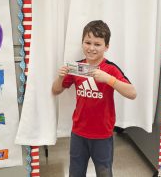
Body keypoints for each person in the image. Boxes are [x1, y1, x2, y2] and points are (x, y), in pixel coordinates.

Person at [52, 20, 137, 177]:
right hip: (78, 132)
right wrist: (60, 77)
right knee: (75, 172)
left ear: (106, 47)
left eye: (97, 44)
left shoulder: (110, 68)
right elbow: (56, 90)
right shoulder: (75, 68)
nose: (91, 48)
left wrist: (109, 79)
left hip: (103, 134)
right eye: (87, 42)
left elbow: (132, 93)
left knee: (104, 172)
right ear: (82, 43)